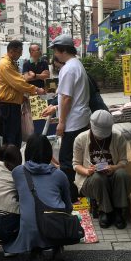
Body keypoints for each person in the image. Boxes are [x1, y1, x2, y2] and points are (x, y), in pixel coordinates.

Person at [4, 134, 72, 258]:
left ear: (27, 152)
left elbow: (20, 197)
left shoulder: (17, 172)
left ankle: (35, 248)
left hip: (29, 231)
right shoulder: (60, 175)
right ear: (49, 153)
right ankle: (56, 245)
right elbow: (68, 206)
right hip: (56, 228)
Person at [41, 35, 91, 200]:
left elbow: (68, 98)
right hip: (80, 118)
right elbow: (70, 97)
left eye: (55, 50)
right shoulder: (77, 65)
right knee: (77, 157)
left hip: (73, 122)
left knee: (67, 160)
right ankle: (78, 192)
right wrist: (55, 107)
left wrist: (61, 123)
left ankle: (71, 195)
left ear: (61, 50)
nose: (54, 54)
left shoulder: (68, 69)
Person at [73, 110, 131, 229]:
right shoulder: (80, 138)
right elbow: (76, 164)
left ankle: (119, 211)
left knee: (122, 174)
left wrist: (114, 167)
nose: (101, 136)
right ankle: (105, 211)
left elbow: (124, 161)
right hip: (90, 180)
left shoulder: (118, 137)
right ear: (90, 125)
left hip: (113, 176)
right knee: (99, 178)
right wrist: (87, 171)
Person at [0, 40, 45, 146]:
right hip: (8, 105)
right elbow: (18, 83)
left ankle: (13, 158)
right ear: (12, 51)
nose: (21, 54)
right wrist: (36, 89)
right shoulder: (5, 64)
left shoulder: (11, 63)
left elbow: (17, 81)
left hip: (13, 104)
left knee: (15, 135)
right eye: (20, 51)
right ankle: (9, 160)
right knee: (11, 136)